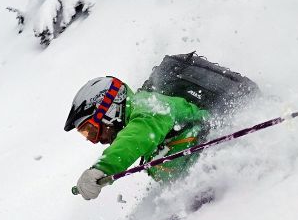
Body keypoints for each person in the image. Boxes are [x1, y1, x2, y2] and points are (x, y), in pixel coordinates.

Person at [65, 76, 209, 200]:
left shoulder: (148, 104)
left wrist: (102, 168)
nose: (98, 140)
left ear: (110, 109)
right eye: (88, 135)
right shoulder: (143, 135)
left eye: (92, 130)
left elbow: (136, 136)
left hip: (213, 148)